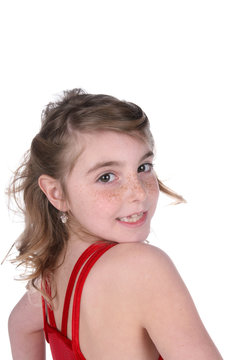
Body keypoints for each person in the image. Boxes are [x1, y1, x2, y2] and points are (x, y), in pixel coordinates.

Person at [7, 88, 223, 360]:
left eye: (143, 167)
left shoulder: (52, 280)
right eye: (107, 177)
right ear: (56, 193)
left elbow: (19, 325)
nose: (139, 193)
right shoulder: (143, 266)